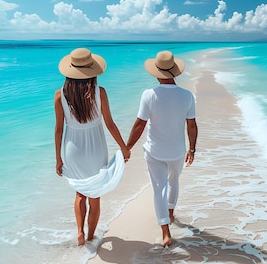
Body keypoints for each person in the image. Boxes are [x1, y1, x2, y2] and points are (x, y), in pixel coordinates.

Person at [54, 47, 129, 246]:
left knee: (80, 193)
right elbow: (110, 124)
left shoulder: (60, 95)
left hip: (72, 149)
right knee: (94, 195)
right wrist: (123, 147)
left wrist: (58, 158)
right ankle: (90, 236)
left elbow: (58, 130)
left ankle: (79, 232)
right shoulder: (100, 92)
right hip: (96, 148)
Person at [124, 50, 198, 247]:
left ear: (157, 73)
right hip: (177, 151)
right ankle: (171, 213)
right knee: (174, 181)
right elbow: (191, 125)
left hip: (155, 152)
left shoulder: (149, 95)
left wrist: (127, 147)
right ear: (174, 72)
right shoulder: (187, 96)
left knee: (159, 189)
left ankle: (165, 231)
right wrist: (192, 149)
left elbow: (139, 124)